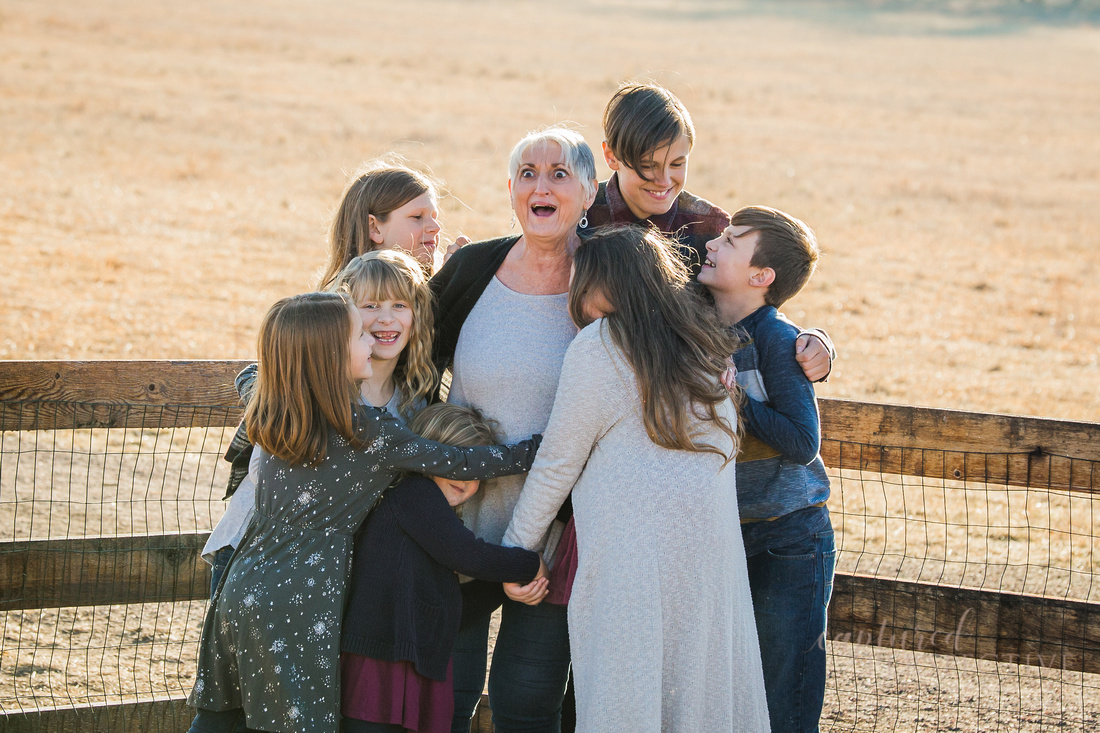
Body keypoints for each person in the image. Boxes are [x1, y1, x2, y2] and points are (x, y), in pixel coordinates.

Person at [187, 292, 541, 733]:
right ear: (331, 356)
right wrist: (542, 448)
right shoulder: (367, 431)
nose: (370, 342)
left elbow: (251, 374)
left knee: (219, 718)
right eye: (358, 335)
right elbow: (463, 461)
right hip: (302, 595)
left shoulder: (280, 405)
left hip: (242, 583)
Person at [502, 225, 769, 732]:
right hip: (710, 563)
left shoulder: (601, 345)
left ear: (605, 281)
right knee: (698, 698)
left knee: (628, 699)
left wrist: (516, 551)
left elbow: (559, 463)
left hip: (633, 566)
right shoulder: (702, 343)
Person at [429, 125, 597, 733]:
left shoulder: (606, 282)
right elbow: (411, 362)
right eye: (527, 173)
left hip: (551, 542)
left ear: (587, 192)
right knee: (443, 701)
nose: (540, 185)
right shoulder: (474, 269)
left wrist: (812, 345)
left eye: (558, 174)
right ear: (509, 189)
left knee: (527, 705)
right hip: (459, 530)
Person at [200, 250, 438, 595]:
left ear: (417, 315)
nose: (386, 319)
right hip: (252, 551)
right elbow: (264, 463)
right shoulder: (318, 390)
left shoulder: (413, 404)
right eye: (371, 306)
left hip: (322, 570)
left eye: (400, 305)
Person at [587, 81, 835, 383]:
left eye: (677, 163)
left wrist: (815, 340)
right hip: (591, 379)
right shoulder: (580, 215)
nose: (664, 180)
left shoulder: (710, 226)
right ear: (611, 156)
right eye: (648, 166)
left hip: (679, 393)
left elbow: (755, 312)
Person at [698, 205, 835, 733]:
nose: (713, 242)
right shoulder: (700, 321)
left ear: (761, 277)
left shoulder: (778, 340)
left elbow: (804, 442)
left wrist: (737, 401)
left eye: (731, 241)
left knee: (784, 691)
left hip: (788, 537)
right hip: (725, 535)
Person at [340, 403, 549, 733]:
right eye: (457, 462)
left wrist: (501, 587)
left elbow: (449, 611)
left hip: (411, 665)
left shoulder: (435, 529)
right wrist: (530, 564)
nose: (466, 478)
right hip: (378, 664)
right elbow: (470, 556)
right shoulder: (411, 492)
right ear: (429, 456)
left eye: (477, 473)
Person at [318, 158, 454, 285]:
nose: (436, 227)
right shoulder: (352, 305)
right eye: (417, 217)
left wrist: (455, 277)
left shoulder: (438, 285)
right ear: (374, 228)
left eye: (434, 217)